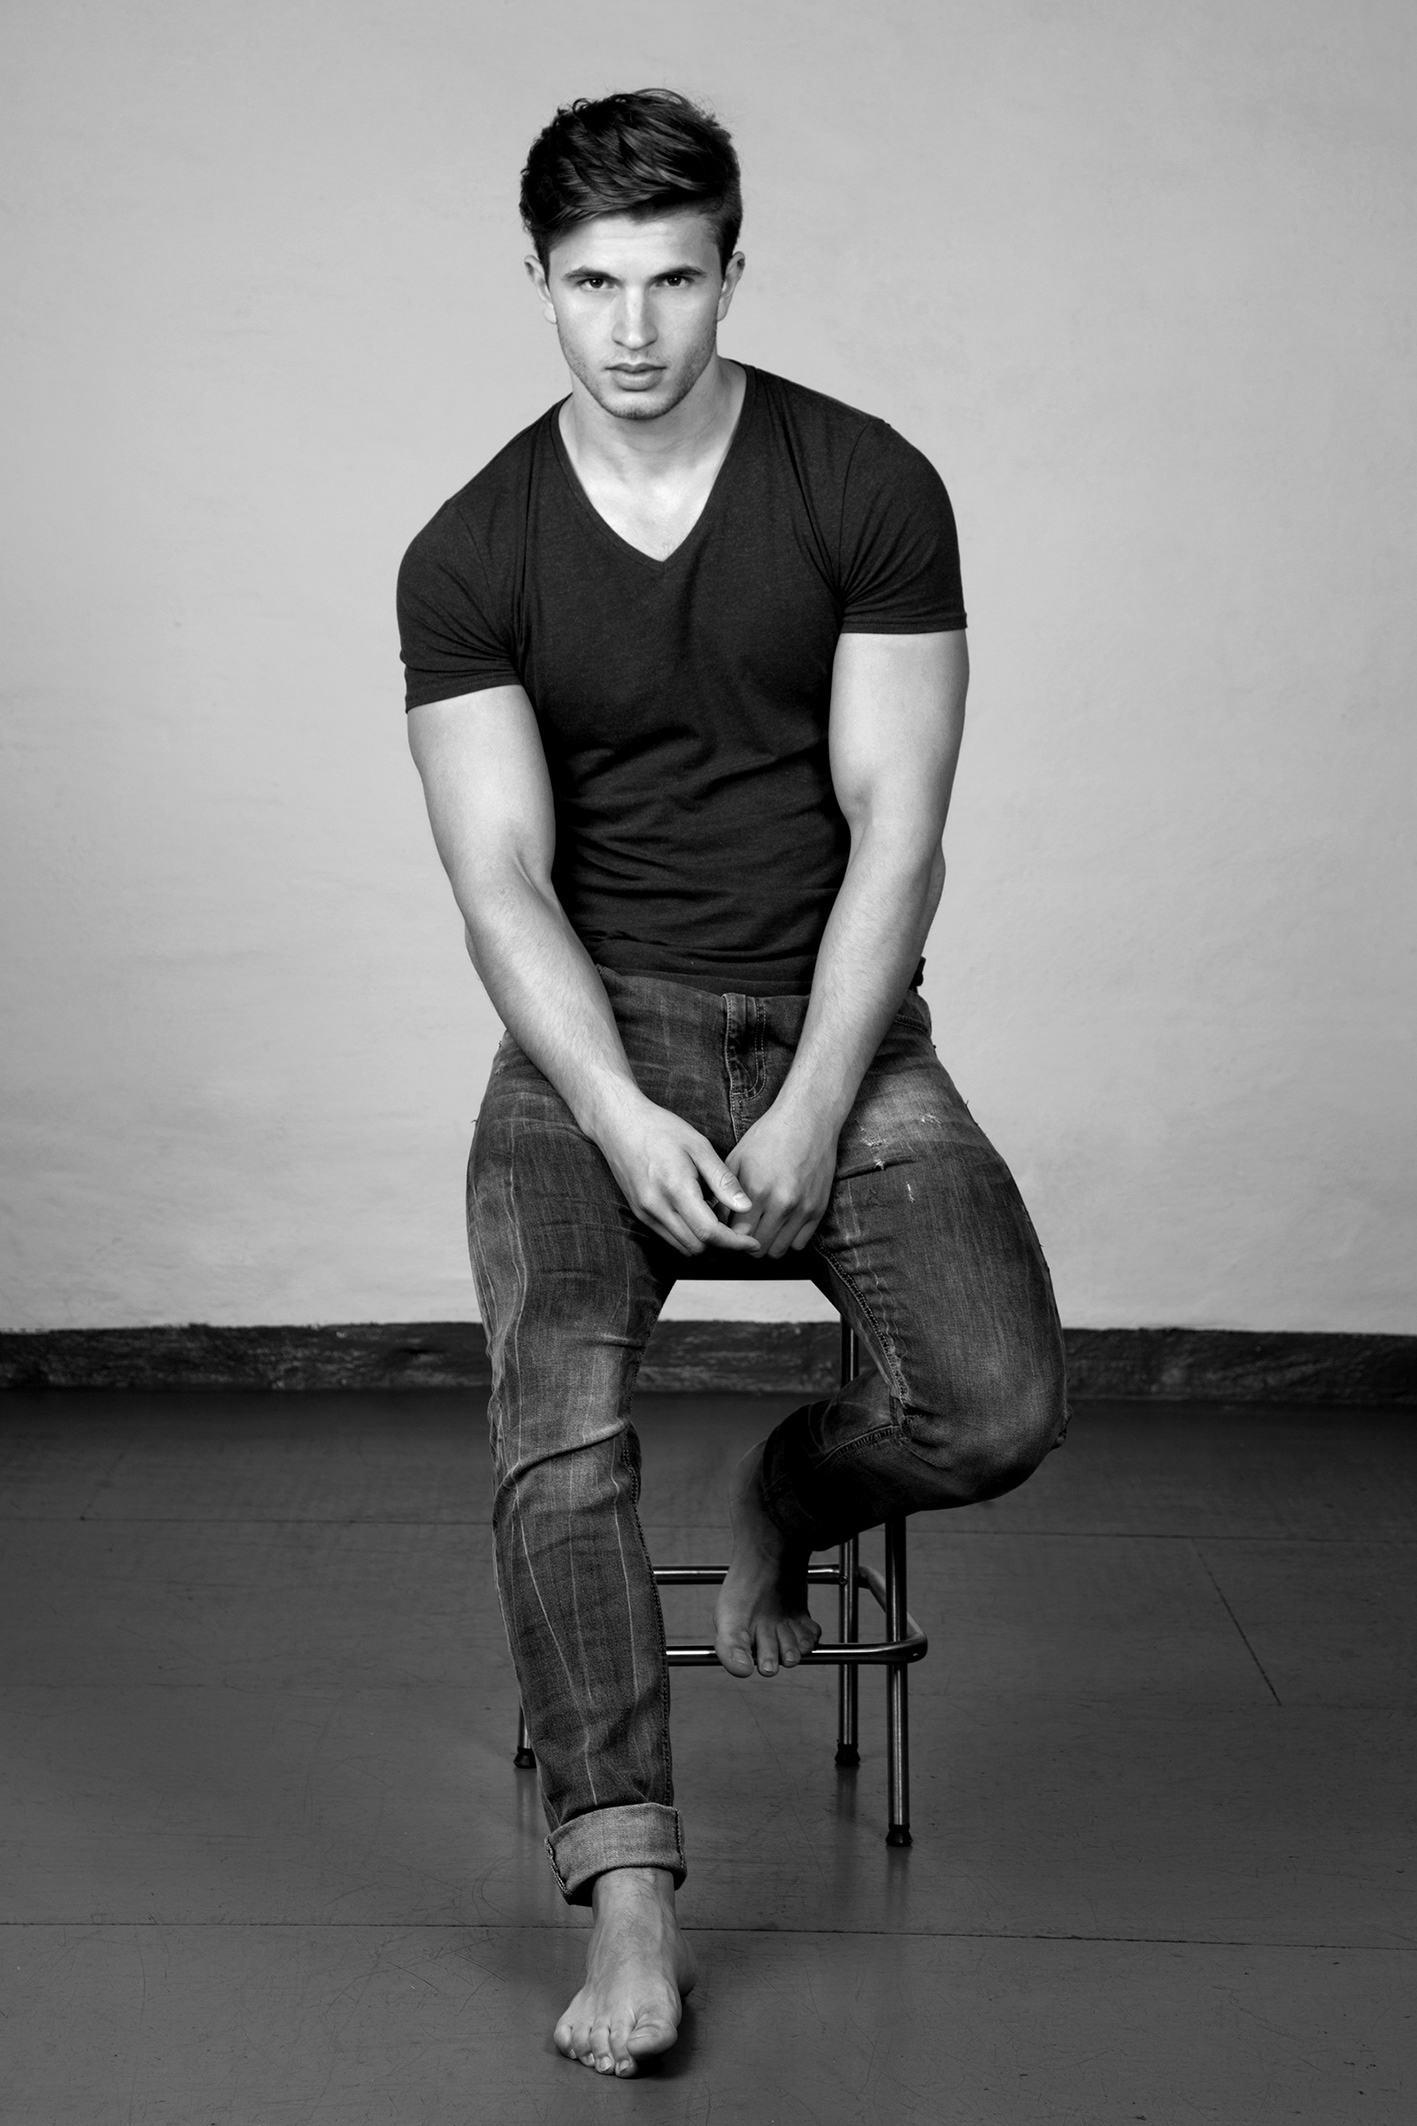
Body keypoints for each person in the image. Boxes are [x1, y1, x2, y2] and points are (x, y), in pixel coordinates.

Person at [398, 88, 1067, 2079]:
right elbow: (499, 880)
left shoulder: (863, 485)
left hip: (835, 1023)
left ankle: (789, 1485)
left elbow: (899, 831)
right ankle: (627, 1890)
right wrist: (618, 1110)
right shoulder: (471, 547)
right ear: (538, 284)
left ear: (731, 274)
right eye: (593, 283)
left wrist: (813, 1097)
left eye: (673, 280)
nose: (633, 328)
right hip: (591, 1038)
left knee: (997, 1402)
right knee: (557, 1417)